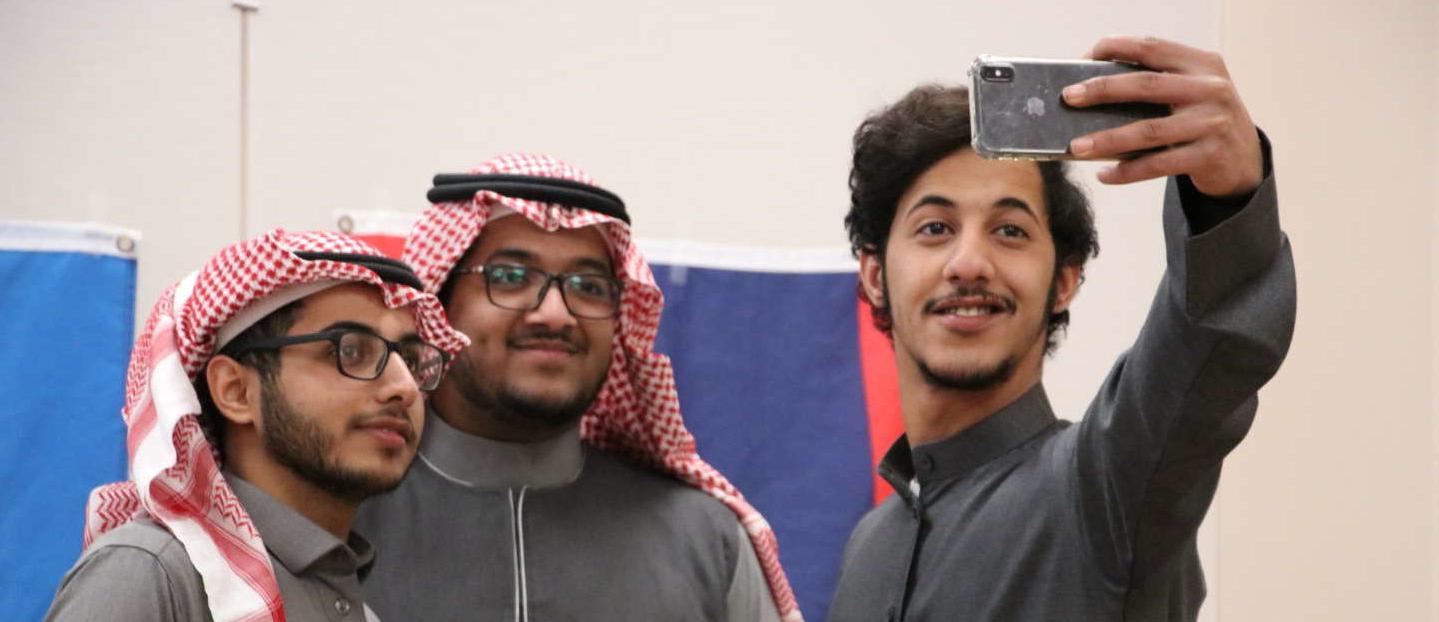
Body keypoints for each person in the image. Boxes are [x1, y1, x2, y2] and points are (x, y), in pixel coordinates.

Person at [828, 36, 1296, 621]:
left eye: (1010, 232)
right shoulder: (867, 549)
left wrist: (1227, 198)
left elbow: (1206, 352)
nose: (969, 262)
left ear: (1064, 280)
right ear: (875, 276)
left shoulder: (1107, 486)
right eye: (934, 229)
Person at [356, 153, 800, 621]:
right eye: (510, 277)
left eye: (588, 286)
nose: (554, 314)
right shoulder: (339, 518)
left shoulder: (705, 540)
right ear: (437, 307)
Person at [46, 231, 467, 622]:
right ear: (235, 391)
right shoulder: (152, 575)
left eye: (411, 361)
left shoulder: (354, 604)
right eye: (351, 350)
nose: (404, 388)